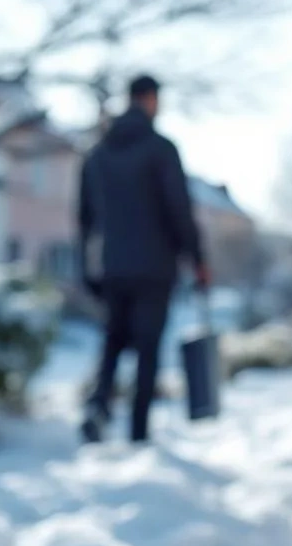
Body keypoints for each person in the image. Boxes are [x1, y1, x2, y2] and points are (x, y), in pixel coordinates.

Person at [77, 74, 210, 443]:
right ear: (150, 99)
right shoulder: (160, 149)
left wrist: (86, 268)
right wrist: (197, 260)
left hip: (112, 266)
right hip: (154, 267)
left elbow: (84, 219)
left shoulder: (98, 153)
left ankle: (98, 405)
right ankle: (138, 432)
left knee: (112, 341)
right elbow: (179, 210)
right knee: (148, 348)